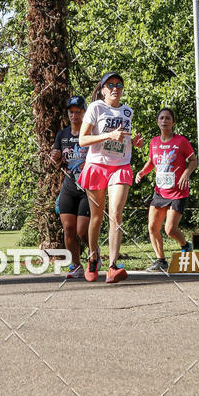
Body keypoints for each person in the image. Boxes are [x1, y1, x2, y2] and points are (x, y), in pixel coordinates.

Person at [78, 72, 143, 283]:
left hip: (120, 166)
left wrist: (134, 142)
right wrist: (108, 135)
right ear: (103, 90)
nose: (116, 88)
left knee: (115, 214)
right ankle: (92, 258)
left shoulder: (128, 111)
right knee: (96, 217)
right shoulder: (96, 107)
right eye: (111, 85)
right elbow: (82, 140)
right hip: (97, 165)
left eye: (119, 85)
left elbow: (123, 138)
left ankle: (113, 266)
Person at [136, 108, 197, 271]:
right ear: (158, 122)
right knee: (152, 227)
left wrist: (186, 173)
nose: (164, 121)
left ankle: (185, 245)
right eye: (161, 118)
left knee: (170, 230)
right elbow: (151, 162)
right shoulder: (154, 142)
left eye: (168, 118)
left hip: (178, 192)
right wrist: (142, 172)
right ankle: (161, 260)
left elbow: (193, 160)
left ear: (173, 122)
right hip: (160, 191)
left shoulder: (181, 141)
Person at [51, 96, 90, 279]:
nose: (74, 115)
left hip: (87, 187)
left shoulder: (90, 133)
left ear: (84, 113)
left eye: (78, 112)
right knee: (68, 229)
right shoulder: (62, 135)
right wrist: (55, 156)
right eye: (71, 112)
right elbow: (57, 161)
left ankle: (94, 252)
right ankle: (76, 265)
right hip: (69, 185)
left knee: (82, 232)